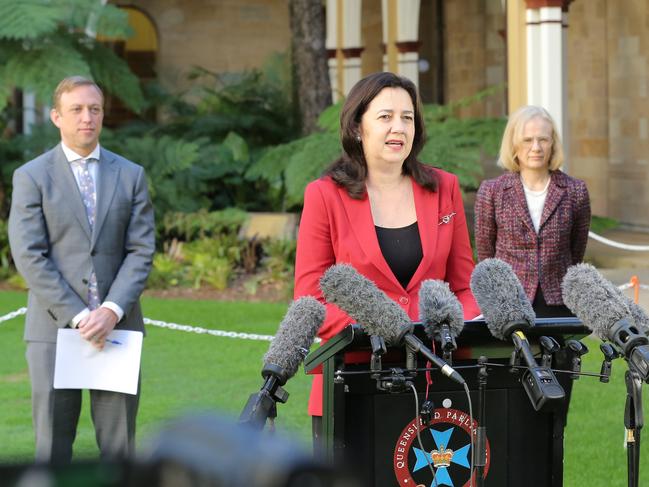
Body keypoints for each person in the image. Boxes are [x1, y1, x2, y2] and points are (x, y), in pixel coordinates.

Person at [293, 72, 480, 437]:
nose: (399, 127)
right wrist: (384, 328)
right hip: (352, 380)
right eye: (385, 117)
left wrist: (443, 328)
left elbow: (465, 288)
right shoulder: (324, 195)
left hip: (435, 382)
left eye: (407, 118)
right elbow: (310, 299)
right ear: (358, 127)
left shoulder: (445, 188)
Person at [8, 76, 155, 463]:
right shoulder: (32, 177)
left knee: (119, 449)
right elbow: (28, 254)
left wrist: (111, 310)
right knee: (53, 449)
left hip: (118, 330)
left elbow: (141, 250)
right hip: (53, 331)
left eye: (94, 109)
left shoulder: (131, 175)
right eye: (76, 109)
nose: (86, 117)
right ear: (57, 116)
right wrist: (78, 316)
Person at [474, 105, 591, 317]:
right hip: (508, 302)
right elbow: (486, 257)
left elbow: (576, 251)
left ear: (553, 143)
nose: (536, 147)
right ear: (514, 144)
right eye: (527, 140)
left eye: (543, 139)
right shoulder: (491, 192)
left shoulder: (575, 191)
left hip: (559, 302)